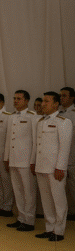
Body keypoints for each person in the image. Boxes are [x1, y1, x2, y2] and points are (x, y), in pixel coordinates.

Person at [31, 92, 72, 242]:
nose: (43, 104)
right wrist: (33, 162)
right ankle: (49, 228)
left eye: (47, 101)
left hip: (55, 168)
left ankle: (59, 230)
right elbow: (37, 145)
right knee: (46, 200)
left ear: (56, 104)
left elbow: (64, 147)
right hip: (41, 166)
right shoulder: (40, 121)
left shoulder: (63, 122)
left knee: (59, 200)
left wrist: (61, 167)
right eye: (43, 101)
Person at [4, 90, 40, 232]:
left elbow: (36, 141)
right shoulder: (11, 117)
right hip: (13, 159)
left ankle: (29, 221)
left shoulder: (33, 117)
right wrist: (6, 158)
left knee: (28, 191)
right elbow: (8, 139)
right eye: (14, 98)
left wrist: (33, 161)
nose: (16, 101)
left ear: (26, 101)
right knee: (18, 191)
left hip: (25, 160)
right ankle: (21, 218)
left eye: (19, 98)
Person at [59, 87, 75, 219]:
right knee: (64, 189)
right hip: (60, 157)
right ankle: (71, 212)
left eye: (64, 96)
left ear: (72, 98)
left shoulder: (73, 113)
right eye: (60, 96)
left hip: (73, 156)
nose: (61, 98)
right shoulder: (58, 112)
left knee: (73, 186)